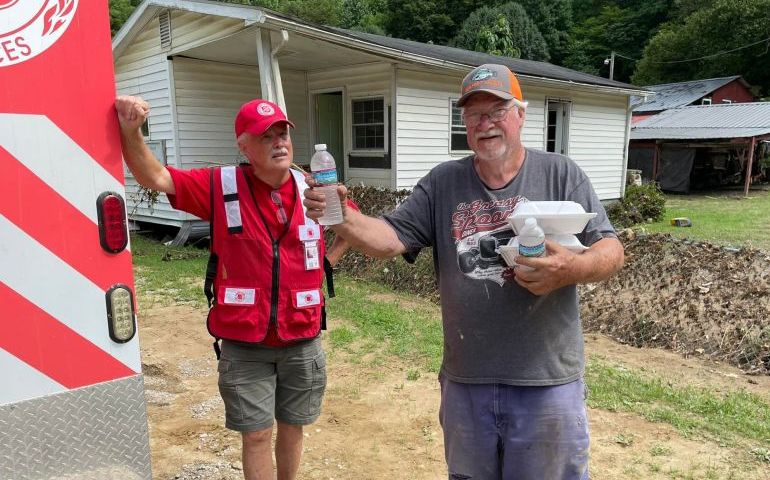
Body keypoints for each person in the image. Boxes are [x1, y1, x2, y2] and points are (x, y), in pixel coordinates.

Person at [303, 64, 625, 479]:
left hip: (547, 383)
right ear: (464, 123)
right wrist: (339, 214)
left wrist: (571, 268)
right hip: (467, 383)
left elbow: (612, 249)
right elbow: (389, 238)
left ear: (520, 115)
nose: (485, 123)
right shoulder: (443, 183)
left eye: (497, 111)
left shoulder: (561, 174)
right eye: (474, 114)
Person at [116, 95, 351, 480]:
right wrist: (132, 131)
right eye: (265, 137)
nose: (278, 143)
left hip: (302, 336)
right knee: (257, 435)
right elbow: (155, 177)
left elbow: (350, 227)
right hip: (246, 342)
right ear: (243, 145)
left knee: (293, 428)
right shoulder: (220, 185)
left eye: (282, 135)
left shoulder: (313, 188)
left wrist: (325, 263)